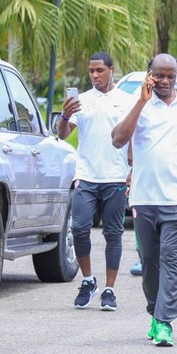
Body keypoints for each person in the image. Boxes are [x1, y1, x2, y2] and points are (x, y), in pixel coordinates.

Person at [111, 53, 177, 346]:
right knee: (149, 260)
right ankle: (155, 311)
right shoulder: (137, 103)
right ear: (149, 74)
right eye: (159, 76)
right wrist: (141, 102)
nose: (165, 82)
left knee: (169, 258)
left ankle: (165, 321)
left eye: (170, 77)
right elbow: (118, 139)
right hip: (144, 198)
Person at [57, 52, 134, 311]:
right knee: (78, 228)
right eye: (91, 71)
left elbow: (133, 137)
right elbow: (63, 134)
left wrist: (133, 169)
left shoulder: (126, 100)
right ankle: (88, 281)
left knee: (113, 233)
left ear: (111, 70)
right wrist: (65, 116)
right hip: (86, 176)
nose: (94, 75)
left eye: (100, 70)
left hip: (115, 177)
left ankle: (109, 290)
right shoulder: (82, 101)